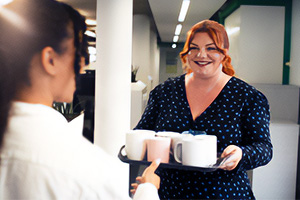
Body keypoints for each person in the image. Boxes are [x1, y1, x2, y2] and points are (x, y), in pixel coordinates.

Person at [0, 0, 160, 199]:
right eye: (80, 53)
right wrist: (148, 189)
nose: (83, 66)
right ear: (50, 60)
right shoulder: (89, 169)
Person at [135, 20, 273, 199]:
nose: (201, 55)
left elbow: (264, 148)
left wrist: (242, 154)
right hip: (169, 192)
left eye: (211, 48)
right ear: (187, 52)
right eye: (194, 48)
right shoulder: (164, 92)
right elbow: (142, 132)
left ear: (224, 53)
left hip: (225, 193)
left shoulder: (248, 97)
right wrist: (147, 184)